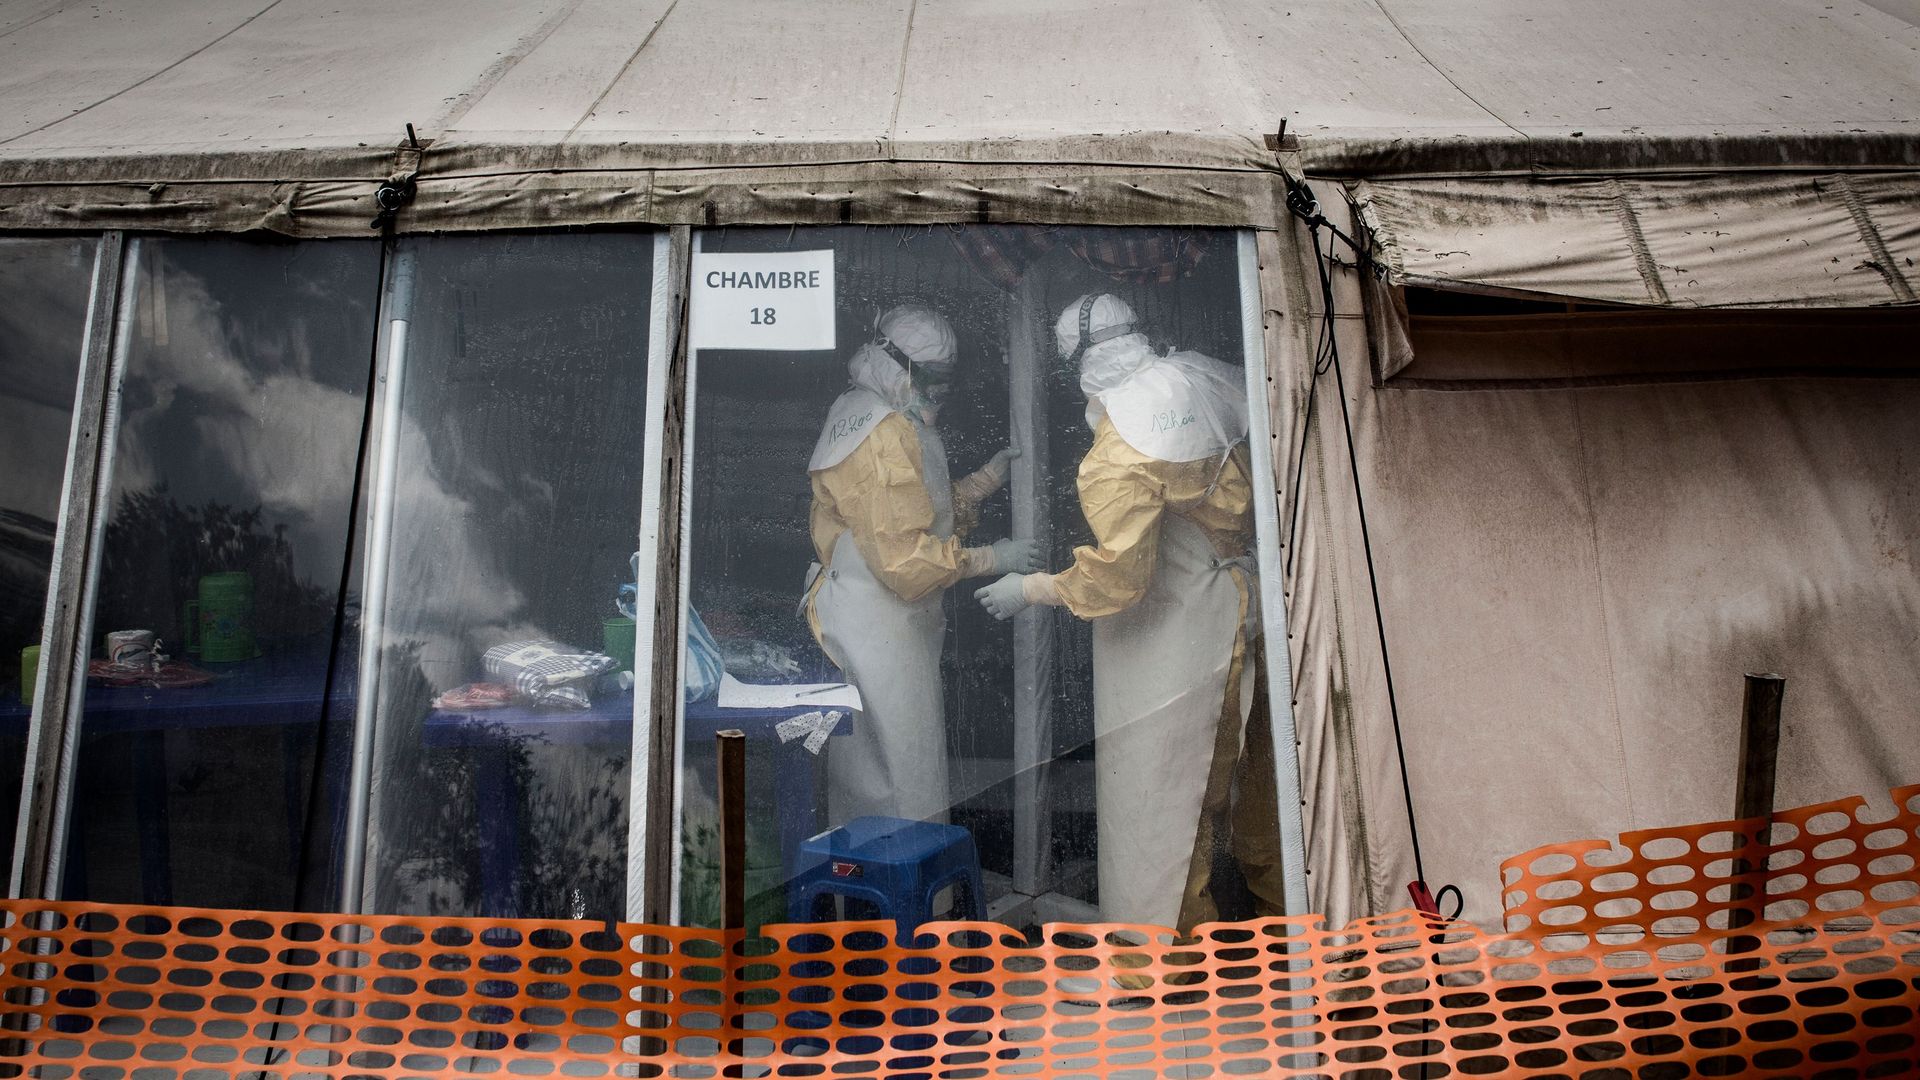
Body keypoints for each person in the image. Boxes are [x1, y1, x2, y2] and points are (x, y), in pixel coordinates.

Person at [975, 293, 1283, 929]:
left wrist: (1032, 588)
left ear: (1080, 367)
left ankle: (1160, 965)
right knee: (1260, 794)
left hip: (1173, 640)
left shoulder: (1120, 449)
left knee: (1161, 800)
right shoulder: (1202, 375)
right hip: (1243, 611)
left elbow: (1118, 579)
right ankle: (1292, 935)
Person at [805, 302, 1039, 825]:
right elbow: (906, 561)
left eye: (949, 377)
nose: (944, 389)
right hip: (877, 623)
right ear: (899, 366)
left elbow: (911, 513)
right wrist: (990, 558)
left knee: (888, 771)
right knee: (898, 779)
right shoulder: (880, 433)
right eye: (935, 377)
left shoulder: (885, 415)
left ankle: (888, 896)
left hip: (886, 623)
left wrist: (982, 483)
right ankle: (902, 903)